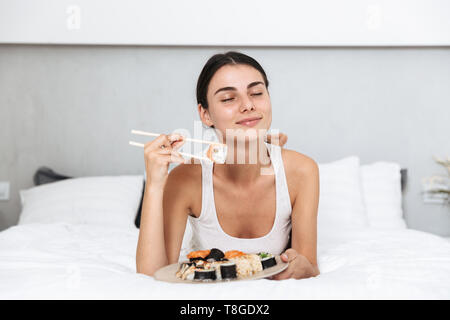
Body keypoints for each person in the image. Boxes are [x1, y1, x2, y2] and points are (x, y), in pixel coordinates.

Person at [136, 51, 320, 280]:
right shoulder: (185, 179)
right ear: (205, 114)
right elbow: (151, 275)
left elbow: (308, 265)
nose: (248, 105)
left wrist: (300, 265)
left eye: (257, 93)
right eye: (228, 99)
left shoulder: (302, 171)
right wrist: (154, 184)